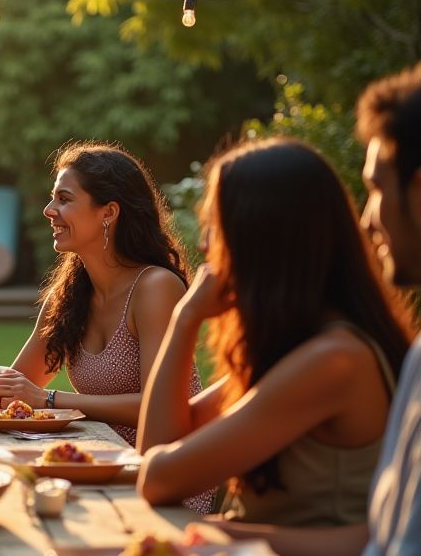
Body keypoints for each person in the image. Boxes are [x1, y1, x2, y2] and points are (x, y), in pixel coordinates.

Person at [138, 137, 413, 531]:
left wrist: (187, 317)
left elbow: (158, 477)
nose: (203, 245)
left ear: (258, 238)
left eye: (216, 227)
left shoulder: (333, 360)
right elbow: (157, 449)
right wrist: (185, 319)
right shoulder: (300, 346)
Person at [0, 142, 199, 443]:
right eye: (52, 199)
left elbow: (158, 406)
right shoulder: (68, 297)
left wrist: (48, 400)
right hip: (99, 462)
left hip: (166, 471)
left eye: (64, 199)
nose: (49, 211)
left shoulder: (155, 288)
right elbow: (14, 388)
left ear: (109, 212)